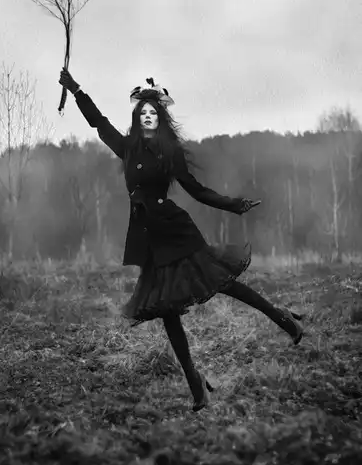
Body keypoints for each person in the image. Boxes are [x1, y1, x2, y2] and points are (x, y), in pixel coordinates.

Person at [58, 69, 304, 412]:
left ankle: (282, 318)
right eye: (142, 112)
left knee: (221, 282)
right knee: (166, 310)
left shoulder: (169, 151)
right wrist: (76, 91)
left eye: (153, 113)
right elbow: (98, 123)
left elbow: (196, 190)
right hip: (150, 238)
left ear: (160, 118)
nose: (147, 117)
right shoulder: (126, 147)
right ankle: (196, 384)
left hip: (175, 229)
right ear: (136, 117)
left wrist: (235, 205)